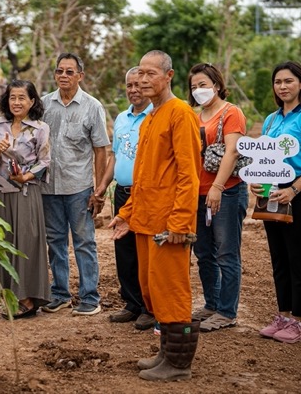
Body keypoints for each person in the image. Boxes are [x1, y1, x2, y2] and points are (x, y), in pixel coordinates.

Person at [109, 50, 202, 381]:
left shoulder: (181, 114)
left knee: (172, 292)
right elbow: (145, 175)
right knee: (153, 291)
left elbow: (188, 175)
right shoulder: (150, 117)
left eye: (151, 74)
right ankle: (166, 352)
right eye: (141, 74)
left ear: (169, 76)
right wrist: (126, 213)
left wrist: (180, 223)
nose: (144, 80)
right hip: (146, 221)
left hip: (168, 224)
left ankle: (179, 363)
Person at [251, 61, 301, 344]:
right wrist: (258, 180)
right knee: (279, 257)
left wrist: (295, 190)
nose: (282, 86)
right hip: (273, 193)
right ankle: (282, 315)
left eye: (288, 81)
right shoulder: (271, 120)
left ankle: (297, 321)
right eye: (278, 82)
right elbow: (266, 158)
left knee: (298, 257)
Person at [41, 52, 110, 316]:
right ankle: (59, 293)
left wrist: (99, 190)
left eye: (70, 72)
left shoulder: (92, 106)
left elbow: (100, 149)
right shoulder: (45, 104)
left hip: (79, 188)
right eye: (60, 71)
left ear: (80, 76)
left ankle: (90, 297)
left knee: (84, 242)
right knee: (55, 241)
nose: (64, 76)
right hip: (49, 187)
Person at [187, 63, 249, 332]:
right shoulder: (194, 116)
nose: (198, 90)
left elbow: (232, 152)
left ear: (217, 85)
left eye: (203, 84)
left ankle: (227, 311)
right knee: (203, 252)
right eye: (193, 87)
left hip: (227, 191)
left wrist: (218, 187)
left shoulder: (231, 112)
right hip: (197, 193)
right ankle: (212, 303)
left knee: (226, 252)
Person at [0, 80, 51, 318]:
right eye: (13, 97)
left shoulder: (40, 128)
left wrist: (26, 177)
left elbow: (45, 162)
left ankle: (28, 299)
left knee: (27, 243)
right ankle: (8, 295)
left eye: (22, 97)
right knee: (4, 242)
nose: (17, 102)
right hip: (2, 193)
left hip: (26, 191)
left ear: (32, 101)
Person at [104, 67, 155, 330]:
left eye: (138, 85)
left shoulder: (155, 117)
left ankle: (150, 307)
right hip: (122, 192)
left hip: (145, 194)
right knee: (124, 251)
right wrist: (103, 185)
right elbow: (114, 156)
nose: (134, 90)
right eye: (129, 86)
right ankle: (132, 303)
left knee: (145, 251)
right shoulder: (122, 118)